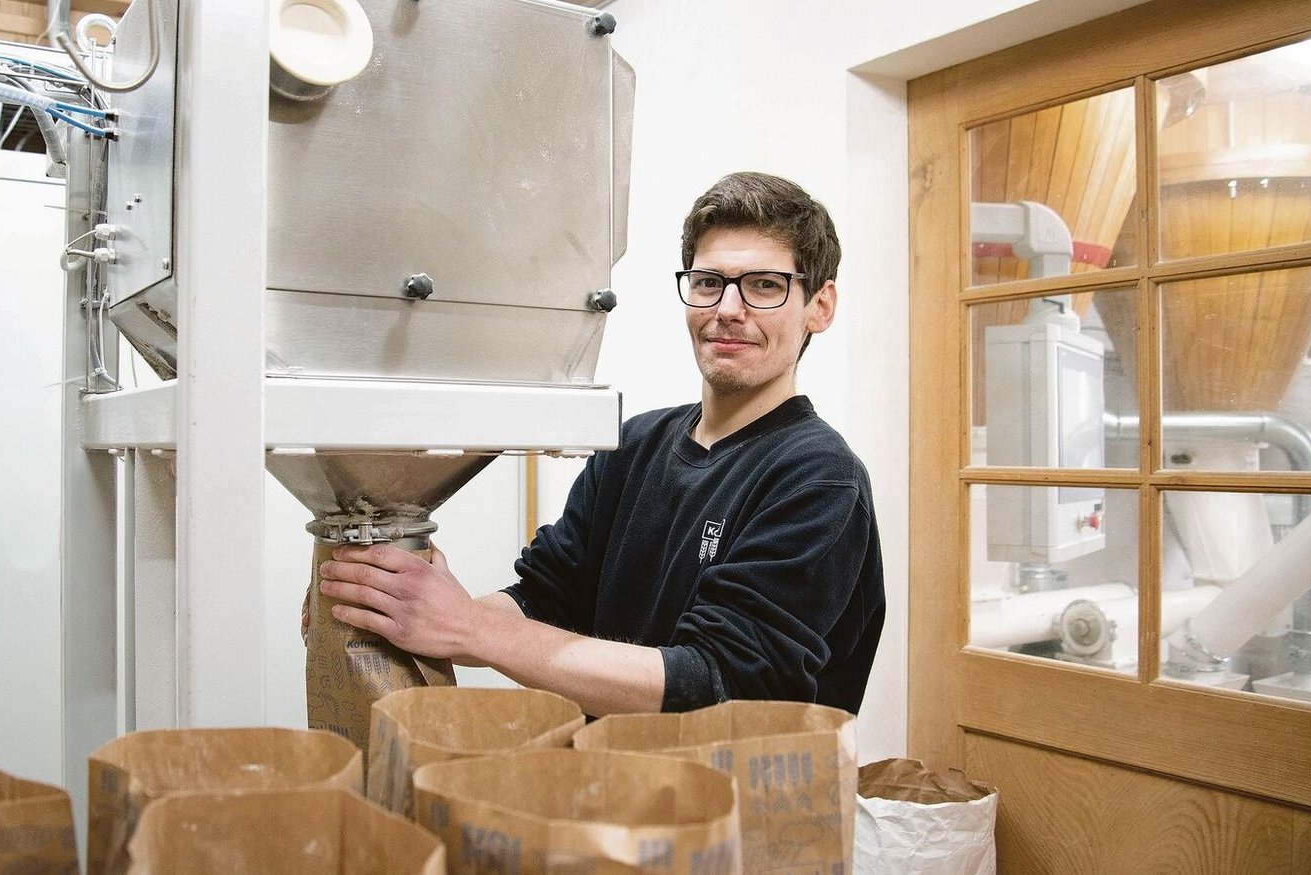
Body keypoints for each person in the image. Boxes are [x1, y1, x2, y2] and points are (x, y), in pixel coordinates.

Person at [316, 171, 885, 716]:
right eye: (709, 283)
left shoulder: (818, 477)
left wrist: (468, 627)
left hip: (740, 807)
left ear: (820, 306)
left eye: (765, 285)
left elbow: (719, 683)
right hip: (608, 787)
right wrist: (402, 606)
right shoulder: (635, 444)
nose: (727, 310)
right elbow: (546, 598)